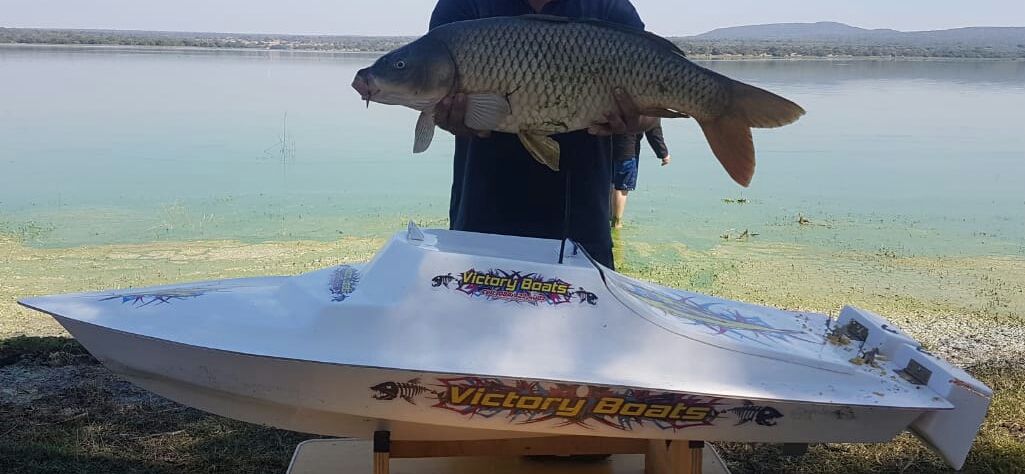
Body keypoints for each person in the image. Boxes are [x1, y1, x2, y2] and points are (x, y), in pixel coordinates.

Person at [429, 0, 659, 271]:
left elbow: (652, 115)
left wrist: (634, 120)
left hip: (582, 235)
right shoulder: (462, 6)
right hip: (480, 225)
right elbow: (433, 96)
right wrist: (448, 117)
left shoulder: (609, 7)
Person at [610, 123, 671, 228]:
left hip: (606, 145)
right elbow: (653, 128)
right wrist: (663, 153)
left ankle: (608, 216)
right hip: (627, 149)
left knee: (611, 182)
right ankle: (616, 222)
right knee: (622, 188)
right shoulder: (648, 111)